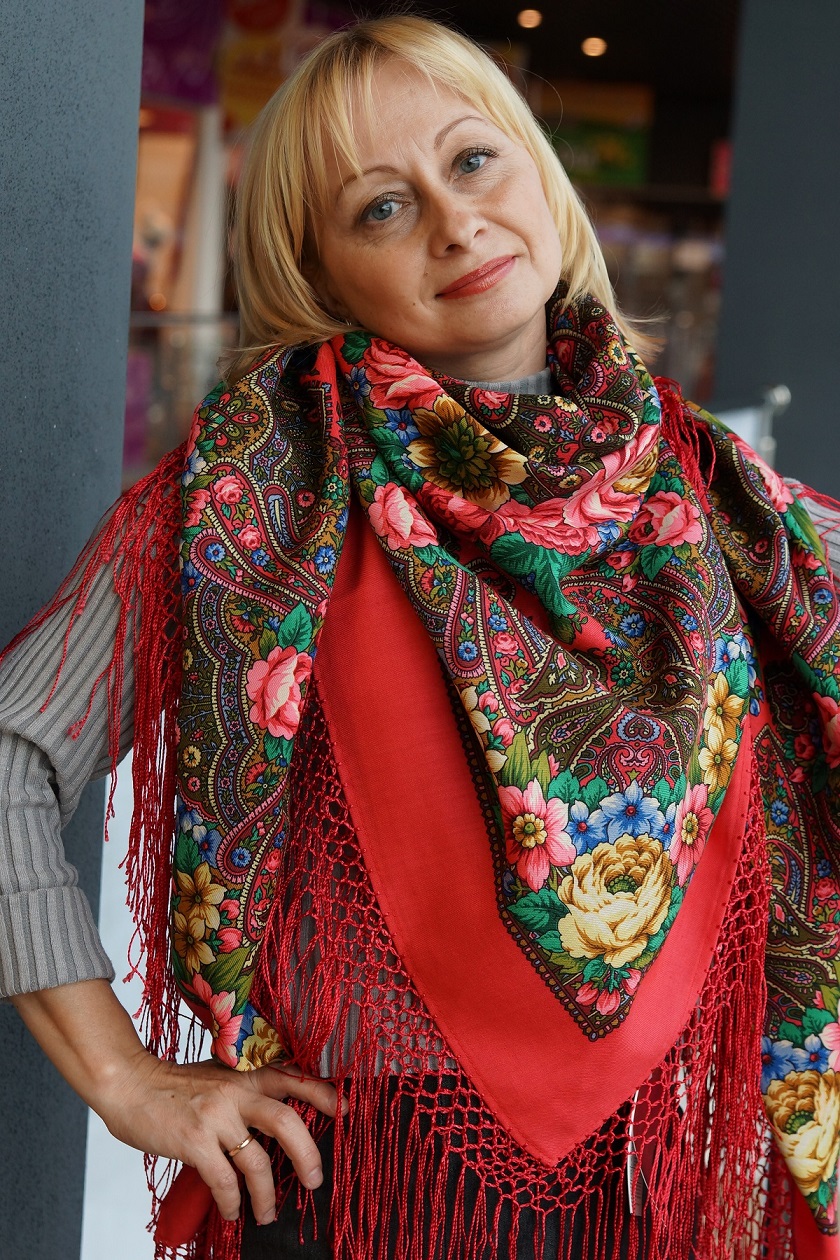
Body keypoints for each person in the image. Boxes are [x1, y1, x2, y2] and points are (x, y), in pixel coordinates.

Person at [3, 14, 840, 1260]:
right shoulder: (247, 506)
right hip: (351, 1196)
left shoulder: (727, 505)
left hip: (647, 1194)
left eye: (473, 160)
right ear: (320, 272)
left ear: (535, 171)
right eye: (382, 208)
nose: (456, 224)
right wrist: (124, 1077)